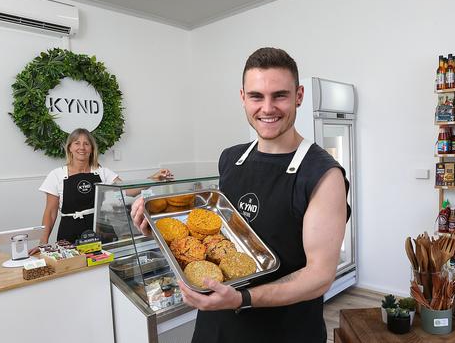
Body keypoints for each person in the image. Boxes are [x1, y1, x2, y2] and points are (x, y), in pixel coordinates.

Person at [131, 48, 350, 343]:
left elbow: (319, 276)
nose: (267, 108)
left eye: (280, 95)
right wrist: (156, 228)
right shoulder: (231, 159)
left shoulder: (322, 174)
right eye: (256, 96)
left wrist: (241, 299)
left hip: (285, 332)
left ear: (299, 95)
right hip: (215, 327)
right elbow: (221, 234)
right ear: (243, 97)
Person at [38, 128, 173, 246]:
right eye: (77, 143)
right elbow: (50, 213)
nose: (82, 147)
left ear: (91, 149)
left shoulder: (102, 172)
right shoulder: (56, 175)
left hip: (99, 231)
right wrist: (43, 242)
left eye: (86, 144)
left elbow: (129, 190)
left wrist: (153, 178)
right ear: (70, 148)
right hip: (69, 233)